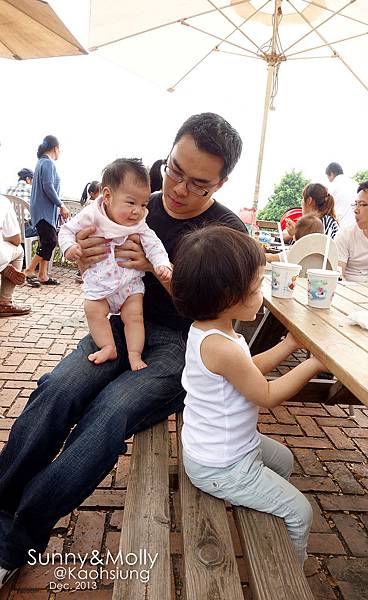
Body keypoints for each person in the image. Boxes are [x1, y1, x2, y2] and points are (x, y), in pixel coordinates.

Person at [0, 112, 247, 587]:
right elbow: (81, 252)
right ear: (168, 153)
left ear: (221, 181)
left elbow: (224, 311)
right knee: (59, 389)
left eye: (198, 183)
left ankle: (14, 543)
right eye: (173, 169)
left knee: (110, 412)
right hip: (117, 324)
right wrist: (82, 253)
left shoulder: (226, 231)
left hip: (180, 340)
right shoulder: (130, 202)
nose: (177, 188)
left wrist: (158, 271)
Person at [171, 225, 324, 565]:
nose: (262, 293)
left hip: (223, 448)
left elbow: (247, 368)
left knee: (283, 460)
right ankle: (289, 575)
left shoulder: (211, 330)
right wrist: (313, 364)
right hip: (221, 466)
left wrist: (287, 346)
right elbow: (266, 394)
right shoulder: (220, 346)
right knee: (300, 511)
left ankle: (262, 508)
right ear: (227, 297)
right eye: (257, 287)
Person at [59, 158, 171, 371]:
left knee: (134, 317)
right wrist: (69, 248)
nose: (138, 211)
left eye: (143, 204)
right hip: (100, 285)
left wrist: (161, 264)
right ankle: (108, 346)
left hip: (129, 285)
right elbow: (66, 231)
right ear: (108, 196)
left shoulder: (139, 223)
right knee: (93, 311)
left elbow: (154, 244)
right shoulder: (92, 214)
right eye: (131, 203)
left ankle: (134, 354)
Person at [24, 135, 70, 287]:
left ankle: (43, 274)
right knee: (51, 241)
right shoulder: (48, 163)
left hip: (41, 210)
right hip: (44, 211)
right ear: (55, 148)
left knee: (46, 241)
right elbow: (48, 187)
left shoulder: (40, 162)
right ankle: (29, 270)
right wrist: (61, 204)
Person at [0, 195, 31, 317]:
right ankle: (5, 302)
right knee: (19, 250)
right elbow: (16, 240)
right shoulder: (2, 201)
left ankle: (3, 267)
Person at [6, 168, 37, 238]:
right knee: (47, 230)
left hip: (10, 229)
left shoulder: (9, 189)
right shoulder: (31, 189)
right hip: (25, 230)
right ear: (28, 179)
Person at [325, 162, 357, 229]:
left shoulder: (332, 186)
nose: (329, 180)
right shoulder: (355, 184)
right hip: (357, 226)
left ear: (331, 174)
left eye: (328, 178)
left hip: (341, 227)